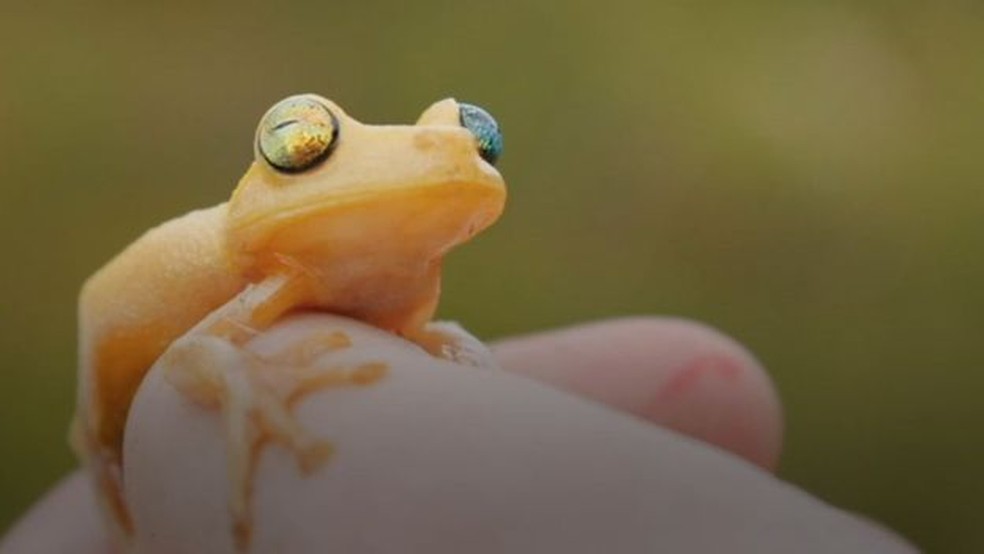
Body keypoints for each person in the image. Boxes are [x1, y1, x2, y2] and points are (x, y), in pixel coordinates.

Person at [0, 316, 917, 553]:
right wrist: (254, 389)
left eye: (479, 137)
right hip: (121, 424)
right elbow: (192, 360)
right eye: (300, 144)